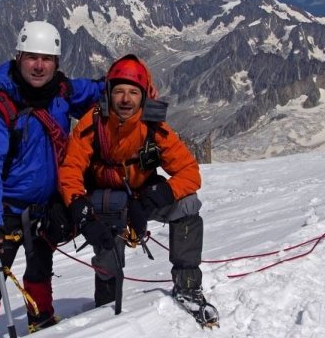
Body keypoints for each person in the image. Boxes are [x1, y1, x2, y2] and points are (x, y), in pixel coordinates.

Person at [0, 21, 104, 338]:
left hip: (45, 207)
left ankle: (41, 321)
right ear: (18, 58)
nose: (39, 65)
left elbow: (102, 89)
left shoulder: (63, 92)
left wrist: (135, 82)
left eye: (47, 58)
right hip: (6, 211)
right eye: (32, 58)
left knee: (40, 267)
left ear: (56, 63)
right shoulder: (0, 109)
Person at [59, 54, 216, 324]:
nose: (125, 99)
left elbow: (189, 172)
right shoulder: (93, 123)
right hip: (106, 200)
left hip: (143, 195)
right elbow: (70, 170)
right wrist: (81, 210)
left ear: (144, 96)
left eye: (133, 92)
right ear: (108, 93)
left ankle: (188, 284)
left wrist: (153, 199)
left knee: (189, 205)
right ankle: (106, 300)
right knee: (107, 241)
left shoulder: (154, 127)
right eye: (119, 91)